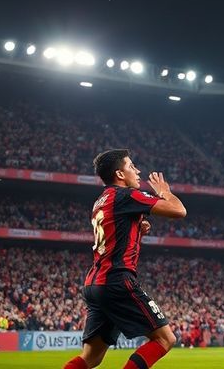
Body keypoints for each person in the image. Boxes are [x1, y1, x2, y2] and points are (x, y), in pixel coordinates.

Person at [63, 149, 187, 369]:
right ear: (120, 174)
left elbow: (113, 233)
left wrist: (137, 228)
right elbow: (178, 211)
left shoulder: (101, 201)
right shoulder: (125, 195)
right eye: (131, 166)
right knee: (165, 339)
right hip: (116, 281)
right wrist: (164, 192)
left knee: (90, 358)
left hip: (95, 283)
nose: (137, 171)